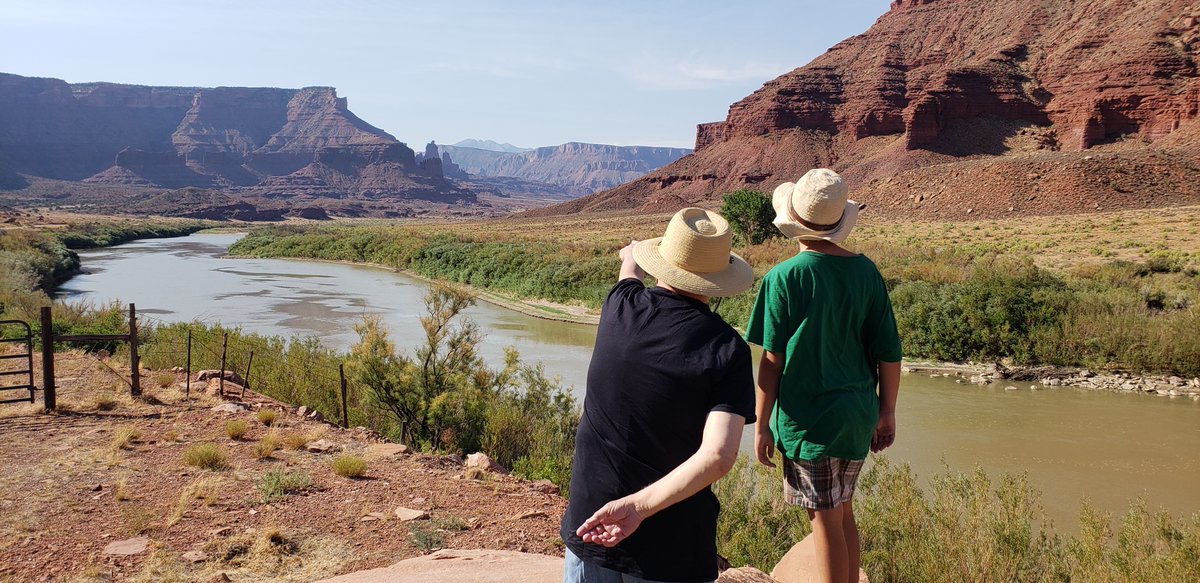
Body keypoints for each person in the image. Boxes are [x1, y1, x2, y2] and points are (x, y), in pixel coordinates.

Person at [560, 207, 757, 583]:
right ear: (717, 280)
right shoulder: (727, 348)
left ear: (664, 263)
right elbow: (718, 456)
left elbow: (629, 273)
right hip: (670, 544)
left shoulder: (620, 306)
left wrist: (632, 254)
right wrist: (637, 507)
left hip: (592, 523)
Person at [745, 169, 903, 583]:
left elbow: (771, 360)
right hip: (856, 416)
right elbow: (889, 352)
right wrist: (887, 411)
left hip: (808, 423)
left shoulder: (784, 277)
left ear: (794, 221)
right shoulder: (865, 271)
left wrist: (761, 426)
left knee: (823, 520)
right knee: (843, 510)